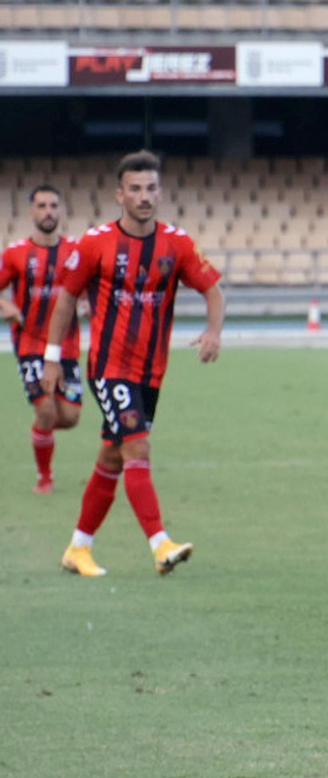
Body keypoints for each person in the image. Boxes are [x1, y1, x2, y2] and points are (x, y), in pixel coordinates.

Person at [40, 150, 225, 578]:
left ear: (160, 192)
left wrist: (214, 331)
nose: (145, 196)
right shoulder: (95, 242)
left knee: (112, 457)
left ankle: (78, 548)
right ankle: (161, 544)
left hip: (150, 373)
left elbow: (214, 290)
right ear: (119, 193)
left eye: (152, 188)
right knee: (138, 447)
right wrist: (52, 359)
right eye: (136, 189)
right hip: (108, 367)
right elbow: (66, 298)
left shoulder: (175, 244)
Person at [0, 185, 82, 493]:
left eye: (53, 205)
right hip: (31, 345)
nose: (48, 211)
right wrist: (5, 304)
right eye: (42, 206)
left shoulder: (75, 252)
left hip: (67, 346)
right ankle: (44, 478)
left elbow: (90, 287)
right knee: (46, 408)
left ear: (60, 211)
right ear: (32, 212)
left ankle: (40, 430)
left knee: (71, 417)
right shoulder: (15, 254)